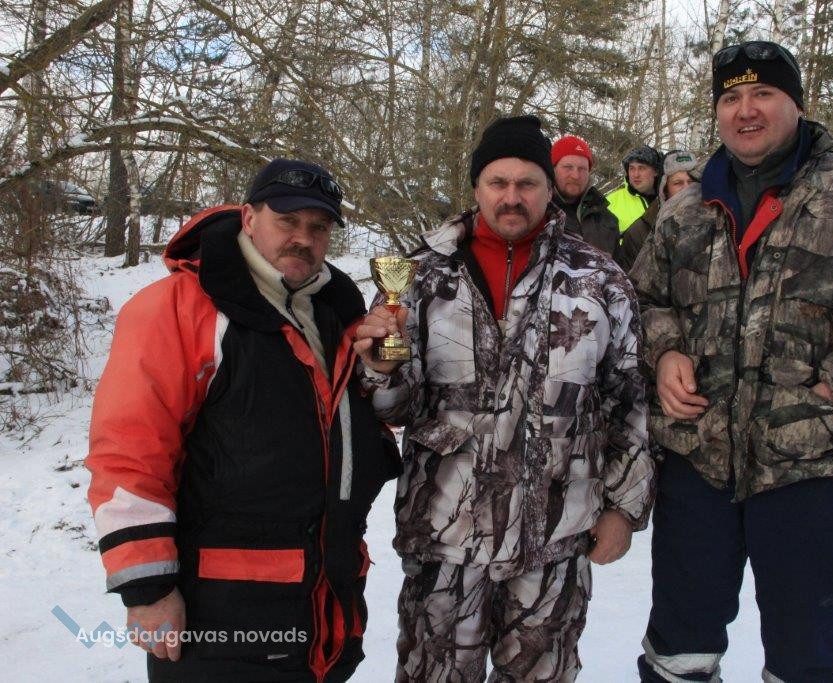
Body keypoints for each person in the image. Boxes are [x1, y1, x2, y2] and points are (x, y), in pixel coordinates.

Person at [630, 41, 833, 682]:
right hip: (698, 461)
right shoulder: (685, 209)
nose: (745, 110)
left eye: (763, 94)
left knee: (806, 651)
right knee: (680, 643)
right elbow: (642, 299)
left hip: (815, 462)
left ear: (797, 104)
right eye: (731, 97)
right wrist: (664, 350)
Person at [354, 115, 656, 681]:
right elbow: (393, 410)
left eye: (527, 183)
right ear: (476, 187)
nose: (512, 197)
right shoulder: (421, 276)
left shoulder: (598, 279)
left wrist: (624, 507)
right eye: (498, 182)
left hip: (554, 538)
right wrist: (379, 369)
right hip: (445, 537)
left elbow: (631, 399)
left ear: (549, 189)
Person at [86, 159, 400, 681]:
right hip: (221, 617)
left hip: (325, 609)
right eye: (287, 221)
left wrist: (377, 375)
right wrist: (147, 589)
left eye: (318, 227)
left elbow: (346, 433)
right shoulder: (178, 307)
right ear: (249, 218)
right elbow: (129, 451)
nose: (303, 238)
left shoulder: (334, 311)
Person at [618, 149, 699, 271]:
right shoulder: (640, 231)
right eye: (678, 183)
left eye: (691, 181)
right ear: (664, 188)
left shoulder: (718, 219)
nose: (686, 189)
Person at [550, 134, 620, 255]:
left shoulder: (607, 220)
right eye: (568, 167)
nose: (575, 175)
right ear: (553, 169)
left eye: (582, 169)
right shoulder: (538, 213)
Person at [606, 144, 663, 233]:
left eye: (642, 168)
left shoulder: (669, 197)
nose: (636, 174)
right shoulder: (610, 202)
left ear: (656, 171)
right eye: (632, 168)